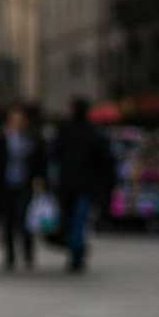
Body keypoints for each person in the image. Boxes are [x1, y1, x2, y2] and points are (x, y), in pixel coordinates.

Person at [52, 97, 115, 272]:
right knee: (79, 220)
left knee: (72, 219)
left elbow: (54, 154)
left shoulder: (65, 130)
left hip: (68, 184)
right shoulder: (93, 132)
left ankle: (75, 250)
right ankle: (76, 251)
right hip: (85, 185)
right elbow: (105, 160)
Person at [0, 103, 47, 270]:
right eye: (14, 120)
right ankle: (10, 254)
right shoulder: (1, 139)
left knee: (25, 219)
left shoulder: (33, 139)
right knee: (8, 221)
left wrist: (41, 181)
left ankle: (28, 254)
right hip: (6, 185)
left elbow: (41, 162)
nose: (17, 123)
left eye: (20, 120)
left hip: (26, 184)